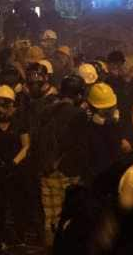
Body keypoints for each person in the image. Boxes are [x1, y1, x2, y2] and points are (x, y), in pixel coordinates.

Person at [37, 75, 87, 246]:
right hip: (69, 173)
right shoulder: (79, 114)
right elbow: (78, 146)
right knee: (70, 218)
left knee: (50, 218)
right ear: (79, 95)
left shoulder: (45, 110)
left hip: (46, 171)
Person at [0, 85, 32, 248]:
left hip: (15, 170)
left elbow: (26, 146)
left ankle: (19, 238)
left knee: (18, 203)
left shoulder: (19, 122)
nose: (0, 110)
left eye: (4, 106)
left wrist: (14, 163)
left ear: (11, 106)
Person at [84, 83, 132, 183]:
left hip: (116, 173)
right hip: (100, 176)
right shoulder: (90, 128)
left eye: (111, 108)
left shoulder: (117, 123)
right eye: (106, 109)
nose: (110, 111)